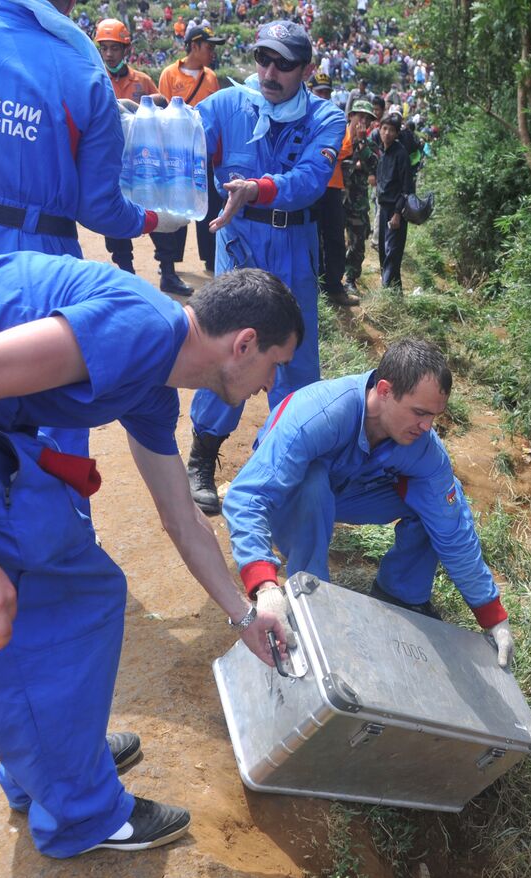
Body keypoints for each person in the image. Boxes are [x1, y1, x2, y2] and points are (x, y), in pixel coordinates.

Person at [0, 255, 301, 858]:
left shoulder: (155, 384)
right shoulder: (145, 329)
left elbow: (181, 516)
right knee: (63, 598)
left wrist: (243, 615)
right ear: (244, 343)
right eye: (274, 365)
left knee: (72, 584)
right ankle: (80, 811)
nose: (269, 385)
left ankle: (55, 764)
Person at [222, 338, 516, 664]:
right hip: (293, 494)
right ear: (385, 390)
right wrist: (264, 586)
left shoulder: (422, 447)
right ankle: (310, 599)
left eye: (434, 416)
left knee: (439, 501)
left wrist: (492, 615)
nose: (427, 427)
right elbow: (247, 497)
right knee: (313, 483)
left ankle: (401, 594)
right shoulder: (318, 414)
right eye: (419, 413)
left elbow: (452, 527)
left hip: (349, 491)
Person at [183, 19, 345, 516]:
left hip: (294, 246)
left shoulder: (326, 117)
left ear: (307, 70)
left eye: (284, 64)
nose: (270, 73)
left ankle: (280, 466)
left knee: (294, 360)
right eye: (263, 59)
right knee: (229, 347)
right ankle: (202, 457)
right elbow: (183, 136)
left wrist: (258, 188)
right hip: (240, 243)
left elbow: (311, 179)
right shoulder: (226, 105)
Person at [0, 0, 185, 263]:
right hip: (36, 260)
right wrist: (154, 219)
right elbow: (99, 209)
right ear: (70, 4)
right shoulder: (87, 78)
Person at [153, 24, 228, 294]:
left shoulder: (211, 78)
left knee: (209, 203)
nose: (212, 52)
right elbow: (162, 114)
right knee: (176, 205)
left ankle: (210, 256)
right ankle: (171, 259)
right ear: (194, 46)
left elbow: (216, 117)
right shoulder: (169, 74)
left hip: (204, 153)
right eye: (209, 46)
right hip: (177, 154)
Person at [96, 18, 158, 275]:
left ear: (126, 49)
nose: (109, 54)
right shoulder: (95, 80)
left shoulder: (142, 82)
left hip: (143, 162)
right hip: (111, 163)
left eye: (115, 48)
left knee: (156, 210)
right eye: (104, 48)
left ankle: (167, 270)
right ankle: (126, 268)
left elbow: (161, 114)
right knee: (116, 214)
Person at [311, 72, 355, 308]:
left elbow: (346, 147)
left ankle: (335, 287)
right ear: (311, 91)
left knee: (335, 237)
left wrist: (320, 151)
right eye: (320, 91)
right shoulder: (304, 115)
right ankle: (317, 287)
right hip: (310, 186)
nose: (324, 96)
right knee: (312, 237)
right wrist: (328, 151)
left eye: (327, 92)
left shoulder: (336, 117)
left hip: (332, 186)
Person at [373, 110, 414, 290]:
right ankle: (395, 292)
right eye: (384, 129)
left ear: (397, 133)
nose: (387, 133)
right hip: (383, 209)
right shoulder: (382, 152)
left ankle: (386, 292)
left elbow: (407, 188)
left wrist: (397, 213)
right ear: (379, 130)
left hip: (396, 211)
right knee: (384, 251)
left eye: (391, 130)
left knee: (393, 252)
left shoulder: (401, 154)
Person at [340, 98, 377, 296]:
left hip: (358, 202)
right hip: (336, 199)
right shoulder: (337, 137)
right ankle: (330, 278)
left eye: (368, 119)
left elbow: (374, 167)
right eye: (360, 116)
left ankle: (350, 279)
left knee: (357, 242)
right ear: (351, 116)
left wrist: (362, 143)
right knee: (331, 240)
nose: (363, 122)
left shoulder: (369, 145)